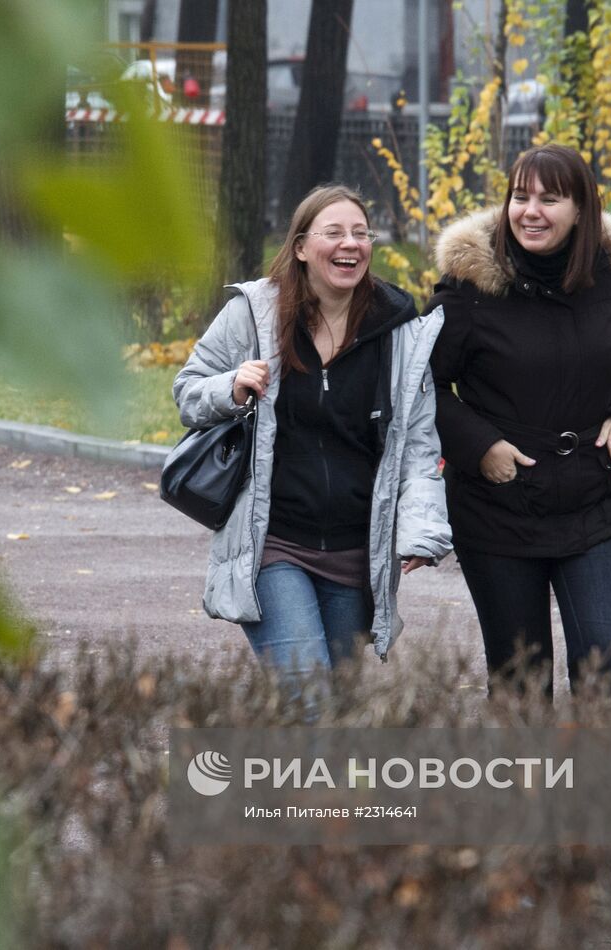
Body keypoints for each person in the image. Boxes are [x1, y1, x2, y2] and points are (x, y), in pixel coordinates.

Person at [173, 184, 452, 708]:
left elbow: (417, 444)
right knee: (310, 700)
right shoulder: (254, 316)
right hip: (274, 546)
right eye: (334, 233)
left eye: (361, 234)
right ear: (301, 247)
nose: (351, 244)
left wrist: (422, 529)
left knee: (333, 709)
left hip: (355, 557)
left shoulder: (399, 334)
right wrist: (230, 386)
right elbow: (188, 391)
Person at [426, 144, 611, 695]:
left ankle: (596, 784)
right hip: (500, 508)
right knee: (520, 685)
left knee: (607, 673)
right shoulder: (469, 288)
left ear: (581, 210)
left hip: (599, 498)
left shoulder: (610, 279)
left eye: (550, 199)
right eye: (520, 196)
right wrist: (480, 446)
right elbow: (420, 385)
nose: (530, 211)